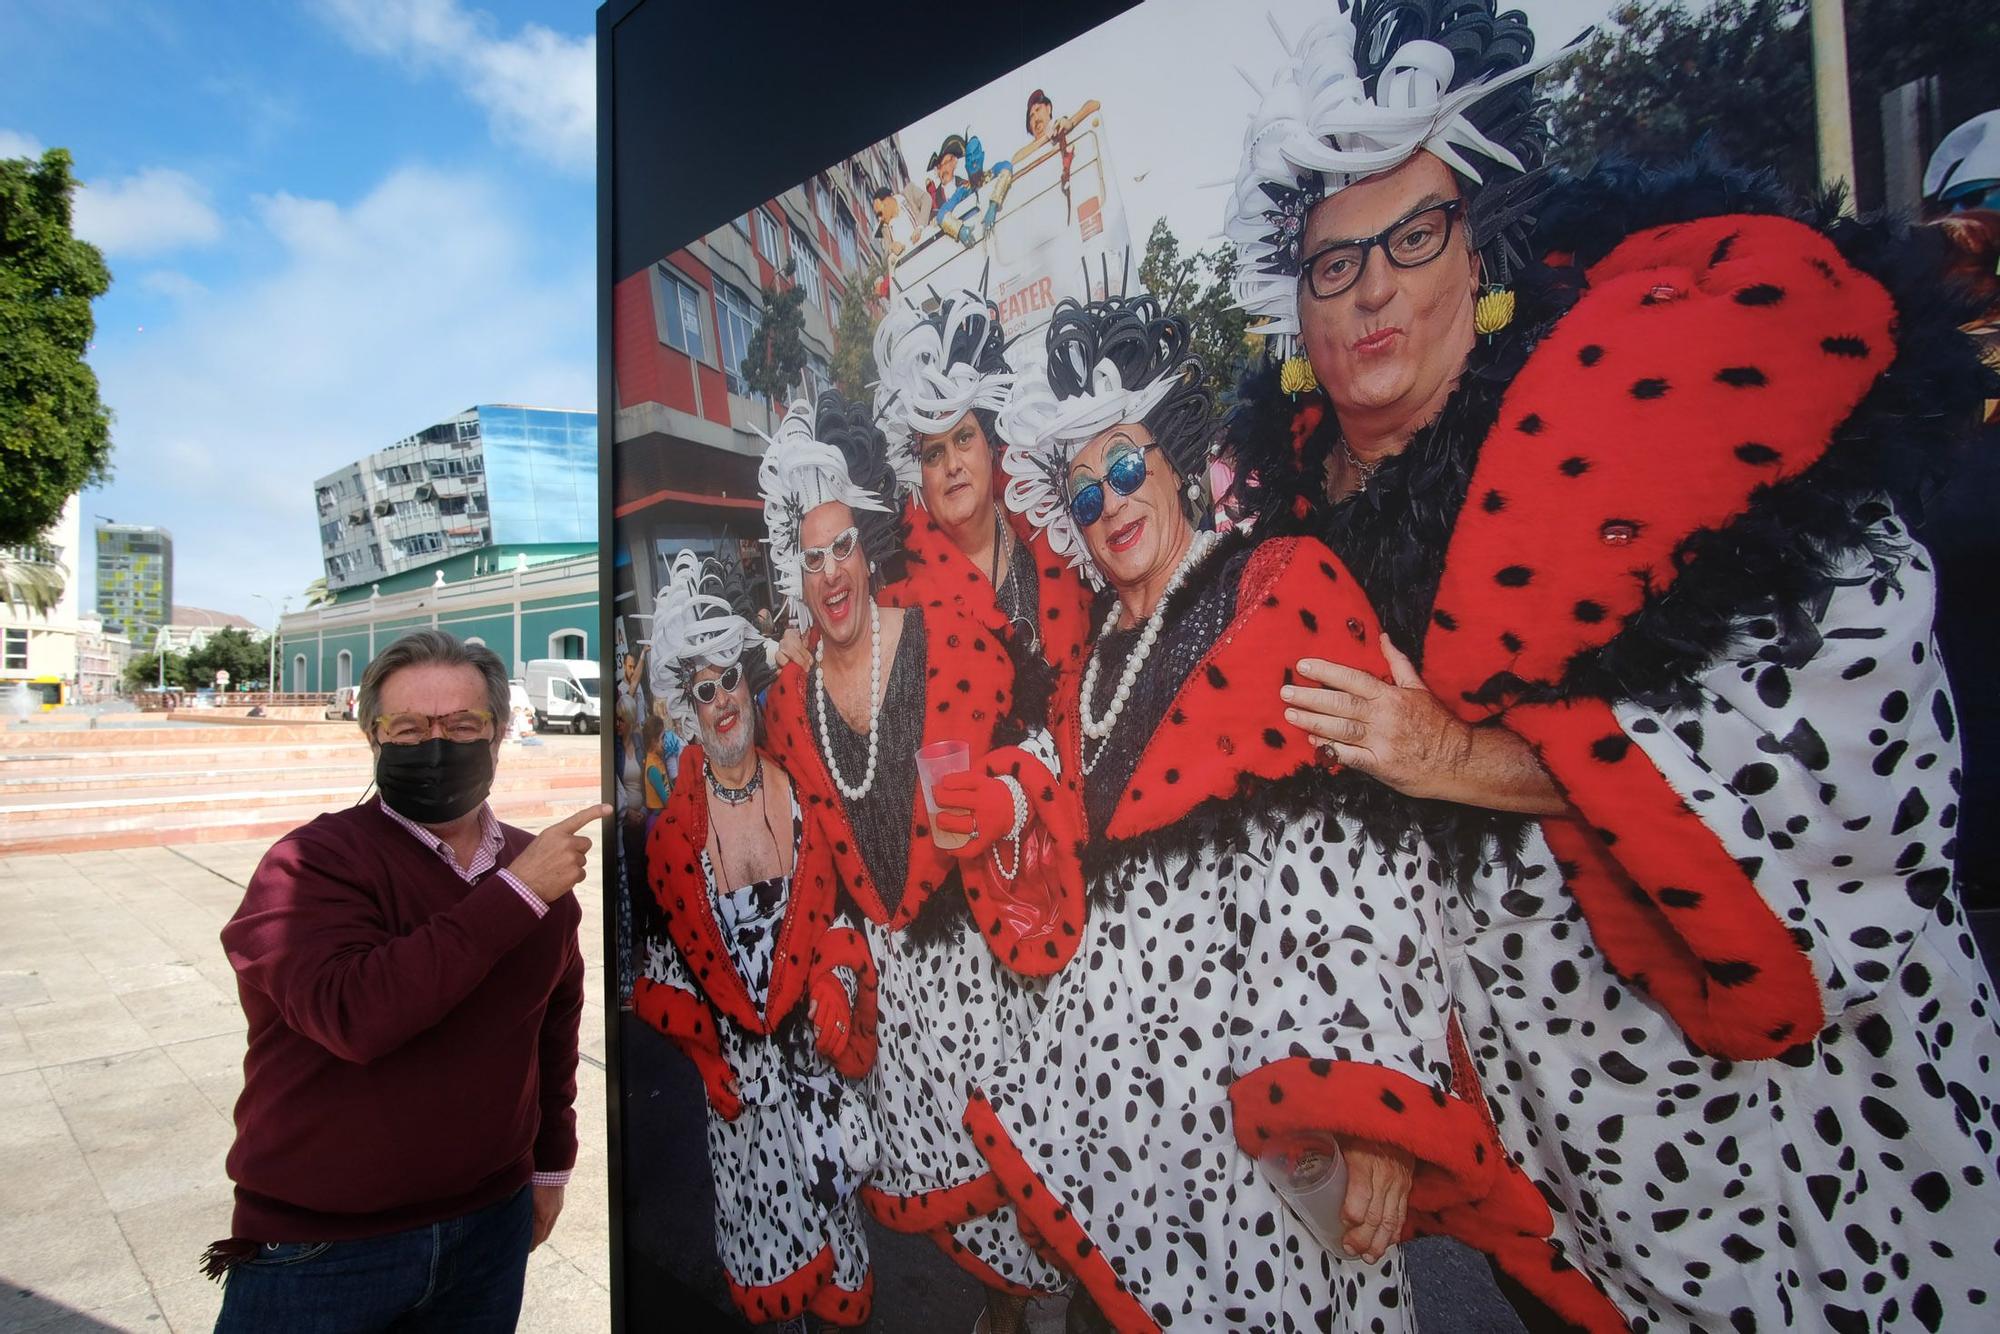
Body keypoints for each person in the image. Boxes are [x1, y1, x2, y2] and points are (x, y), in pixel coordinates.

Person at [1224, 3, 2000, 1329]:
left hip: (1797, 1148)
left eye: (1412, 238)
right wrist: (1372, 1093)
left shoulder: (1663, 395)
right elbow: (1323, 868)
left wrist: (1455, 755)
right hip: (1552, 1168)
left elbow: (1856, 757)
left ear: (1483, 244)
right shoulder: (1300, 529)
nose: (1371, 291)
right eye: (1332, 263)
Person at [967, 292, 1605, 1332]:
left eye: (1124, 466)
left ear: (1173, 458)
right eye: (1083, 493)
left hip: (1263, 1138)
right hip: (1127, 1136)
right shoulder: (1089, 667)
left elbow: (1362, 853)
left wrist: (1371, 1107)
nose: (1110, 503)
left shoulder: (1278, 586)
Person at [754, 394, 1075, 1334]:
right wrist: (837, 957)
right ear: (798, 578)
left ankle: (1055, 1308)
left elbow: (1049, 748)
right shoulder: (787, 700)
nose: (829, 573)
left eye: (843, 546)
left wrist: (1009, 797)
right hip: (901, 992)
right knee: (957, 1187)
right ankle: (1005, 1310)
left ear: (870, 547)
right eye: (810, 559)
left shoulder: (952, 639)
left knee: (1032, 1164)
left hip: (986, 958)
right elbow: (807, 844)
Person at [206, 629, 607, 1331]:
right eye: (408, 728)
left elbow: (551, 1031)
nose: (436, 744)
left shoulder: (530, 869)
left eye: (461, 725)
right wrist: (515, 895)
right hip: (323, 1250)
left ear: (500, 734)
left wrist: (549, 1169)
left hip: (489, 1227)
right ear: (373, 739)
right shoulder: (309, 864)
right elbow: (356, 1016)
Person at [633, 550, 877, 1327]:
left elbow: (842, 914)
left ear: (746, 678)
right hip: (742, 1107)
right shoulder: (671, 838)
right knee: (775, 1298)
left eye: (729, 679)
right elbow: (659, 966)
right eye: (703, 691)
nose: (723, 700)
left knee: (842, 1281)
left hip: (819, 1082)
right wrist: (705, 1055)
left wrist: (837, 982)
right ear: (690, 709)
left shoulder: (802, 792)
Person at [871, 284, 1094, 672]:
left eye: (963, 438)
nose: (952, 465)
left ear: (990, 447)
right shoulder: (900, 596)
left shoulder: (1060, 530)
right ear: (919, 476)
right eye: (934, 453)